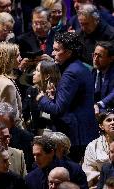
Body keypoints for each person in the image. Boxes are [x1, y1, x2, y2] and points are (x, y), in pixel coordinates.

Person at [36, 32, 98, 163]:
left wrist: (41, 98)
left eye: (57, 50)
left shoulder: (71, 73)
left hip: (74, 135)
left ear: (69, 52)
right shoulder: (80, 67)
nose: (52, 53)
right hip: (82, 131)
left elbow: (58, 109)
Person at [0, 42, 22, 128]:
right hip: (7, 132)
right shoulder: (7, 84)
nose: (20, 59)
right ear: (9, 59)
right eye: (17, 55)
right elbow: (10, 117)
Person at [23, 60, 61, 135]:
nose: (33, 73)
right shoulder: (32, 91)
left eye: (37, 71)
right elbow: (25, 112)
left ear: (47, 76)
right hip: (35, 134)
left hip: (54, 134)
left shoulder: (58, 92)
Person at [82, 110, 114, 188]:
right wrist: (104, 177)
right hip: (100, 183)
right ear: (101, 126)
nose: (113, 122)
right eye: (109, 120)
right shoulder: (92, 146)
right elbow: (88, 170)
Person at [92, 41, 114, 114]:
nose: (95, 59)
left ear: (111, 59)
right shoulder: (92, 71)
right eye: (95, 54)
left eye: (100, 56)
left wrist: (98, 105)